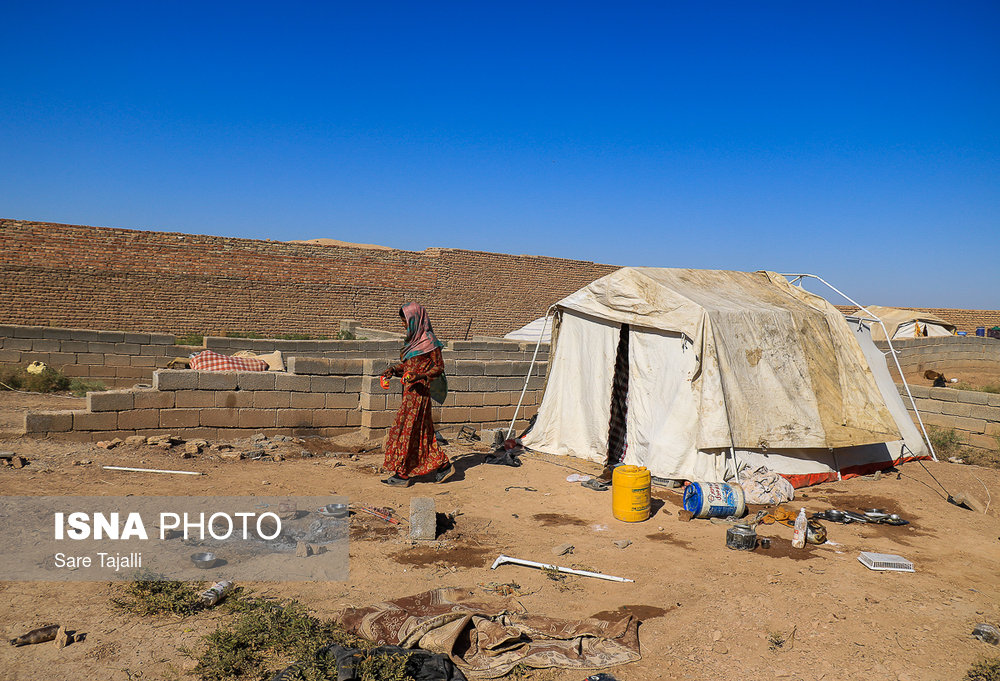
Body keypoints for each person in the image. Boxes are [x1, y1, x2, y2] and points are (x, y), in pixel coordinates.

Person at [379, 303, 453, 487]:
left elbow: (439, 368)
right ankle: (442, 464)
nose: (404, 325)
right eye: (403, 321)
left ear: (416, 320)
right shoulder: (413, 342)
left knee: (408, 432)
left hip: (420, 396)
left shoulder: (430, 342)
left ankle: (403, 474)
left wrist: (420, 376)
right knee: (422, 434)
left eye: (406, 321)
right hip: (409, 394)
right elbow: (408, 366)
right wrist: (393, 370)